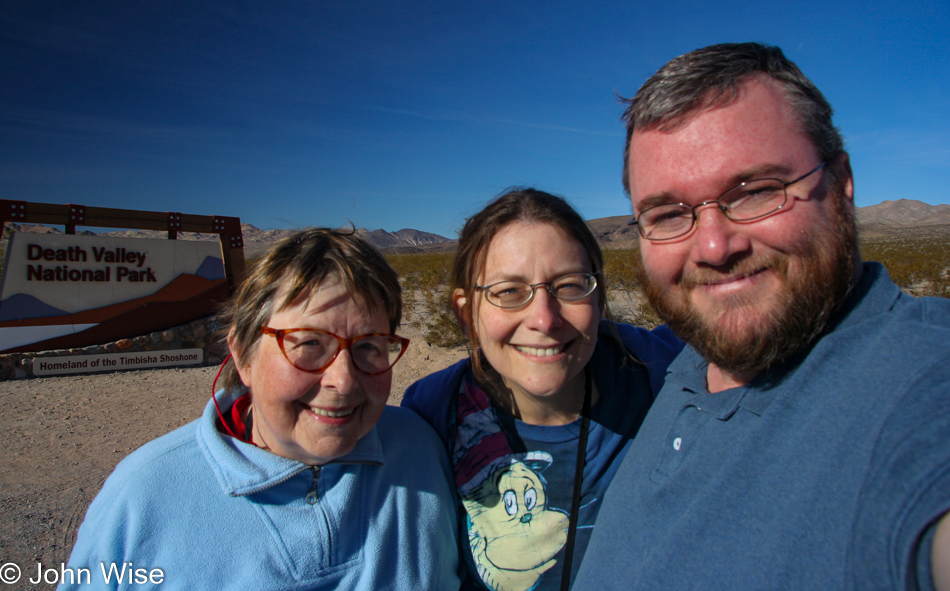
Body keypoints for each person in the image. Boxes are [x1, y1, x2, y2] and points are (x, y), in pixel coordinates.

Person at [573, 42, 950, 590]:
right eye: (668, 213)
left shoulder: (916, 388)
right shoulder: (690, 358)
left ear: (841, 184)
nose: (713, 246)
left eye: (754, 192)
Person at [60, 228, 461, 590]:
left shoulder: (420, 451)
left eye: (369, 346)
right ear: (242, 354)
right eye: (308, 345)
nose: (343, 380)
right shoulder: (143, 498)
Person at [402, 188, 683, 591]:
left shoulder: (661, 372)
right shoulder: (431, 414)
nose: (544, 319)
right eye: (509, 292)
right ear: (466, 315)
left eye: (569, 285)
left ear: (599, 298)